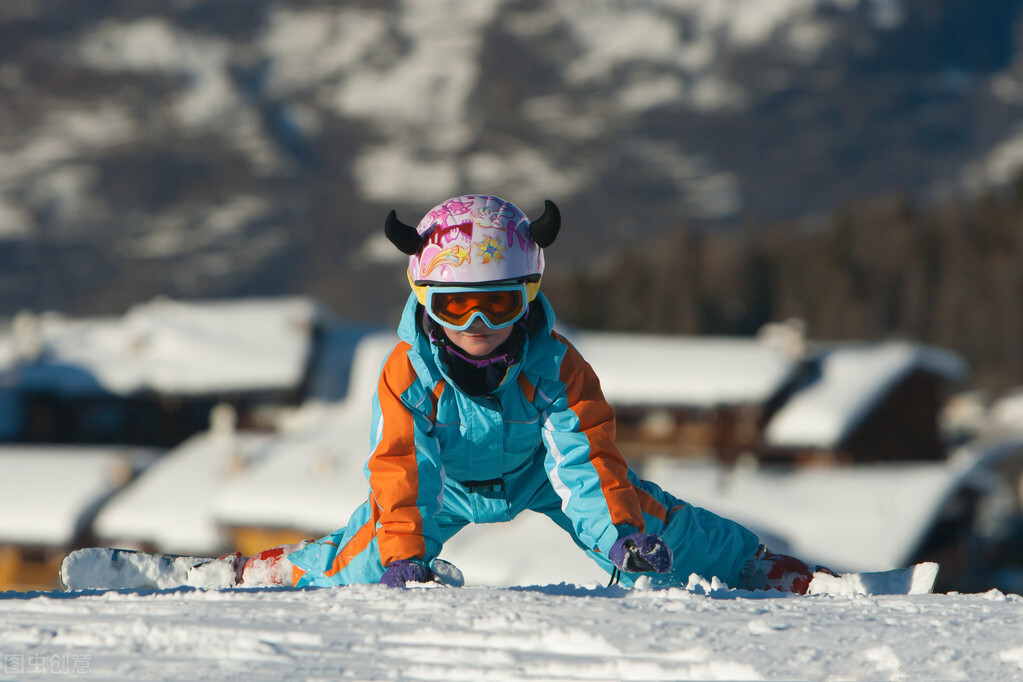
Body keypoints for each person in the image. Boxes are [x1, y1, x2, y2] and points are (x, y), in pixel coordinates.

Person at [236, 194, 827, 593]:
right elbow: (402, 469)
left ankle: (752, 565)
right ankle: (272, 574)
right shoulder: (408, 374)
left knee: (655, 535)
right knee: (362, 560)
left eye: (496, 302)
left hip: (540, 473)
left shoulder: (556, 367)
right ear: (425, 301)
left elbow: (587, 461)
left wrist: (620, 537)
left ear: (527, 296)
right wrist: (404, 556)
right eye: (454, 304)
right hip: (446, 486)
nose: (475, 323)